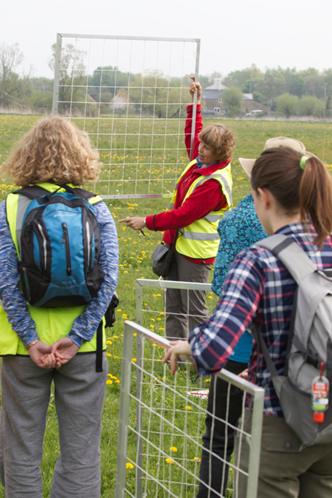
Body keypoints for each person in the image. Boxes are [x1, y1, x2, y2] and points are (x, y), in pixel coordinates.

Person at [164, 146, 332, 498]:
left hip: (278, 419)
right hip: (326, 413)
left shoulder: (258, 259)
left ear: (264, 197)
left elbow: (213, 351)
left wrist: (188, 343)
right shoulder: (328, 248)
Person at [0, 116, 119, 498]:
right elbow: (110, 279)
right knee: (82, 448)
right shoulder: (97, 207)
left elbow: (5, 281)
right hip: (83, 349)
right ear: (81, 155)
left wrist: (31, 338)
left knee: (20, 447)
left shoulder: (10, 208)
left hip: (21, 349)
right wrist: (78, 335)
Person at [196, 135, 315, 497]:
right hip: (314, 379)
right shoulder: (320, 230)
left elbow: (220, 285)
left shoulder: (238, 222)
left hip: (242, 354)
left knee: (220, 435)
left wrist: (191, 346)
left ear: (262, 185)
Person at [119, 81, 234, 341]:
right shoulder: (201, 163)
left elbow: (183, 215)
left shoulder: (214, 183)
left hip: (195, 255)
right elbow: (194, 134)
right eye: (201, 146)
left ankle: (201, 360)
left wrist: (146, 221)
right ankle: (176, 356)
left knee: (195, 310)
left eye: (205, 148)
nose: (199, 150)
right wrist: (196, 103)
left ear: (219, 153)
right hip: (177, 245)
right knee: (174, 306)